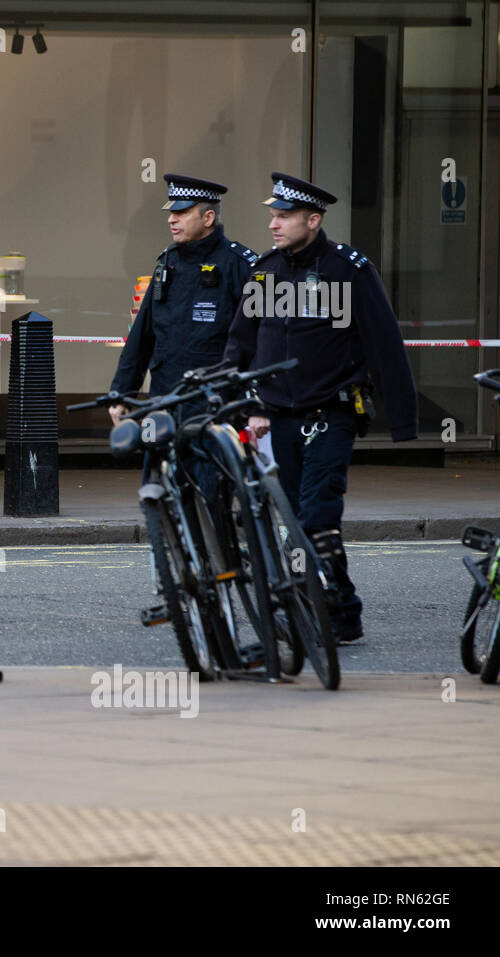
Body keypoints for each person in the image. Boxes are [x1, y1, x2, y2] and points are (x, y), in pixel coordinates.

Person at [224, 173, 419, 642]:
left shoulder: (348, 269)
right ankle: (337, 606)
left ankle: (330, 607)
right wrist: (240, 403)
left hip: (330, 413)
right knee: (294, 517)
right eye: (272, 215)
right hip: (275, 417)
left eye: (284, 216)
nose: (273, 224)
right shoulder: (266, 270)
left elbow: (385, 344)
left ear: (313, 219)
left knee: (316, 515)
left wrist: (404, 421)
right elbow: (241, 344)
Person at [109, 174, 259, 424]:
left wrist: (256, 404)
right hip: (165, 401)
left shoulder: (239, 266)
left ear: (208, 218)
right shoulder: (167, 263)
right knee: (157, 463)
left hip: (217, 407)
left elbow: (261, 340)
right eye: (171, 212)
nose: (171, 219)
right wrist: (122, 393)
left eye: (182, 212)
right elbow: (142, 336)